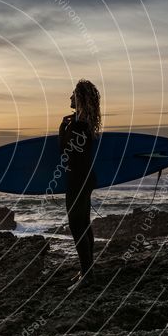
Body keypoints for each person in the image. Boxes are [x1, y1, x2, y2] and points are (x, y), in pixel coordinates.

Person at [59, 79, 101, 287]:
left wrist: (63, 128)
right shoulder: (86, 124)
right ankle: (88, 272)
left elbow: (67, 151)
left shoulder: (78, 125)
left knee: (77, 226)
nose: (70, 97)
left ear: (80, 98)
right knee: (84, 223)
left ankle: (87, 275)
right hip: (86, 178)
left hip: (78, 179)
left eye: (73, 94)